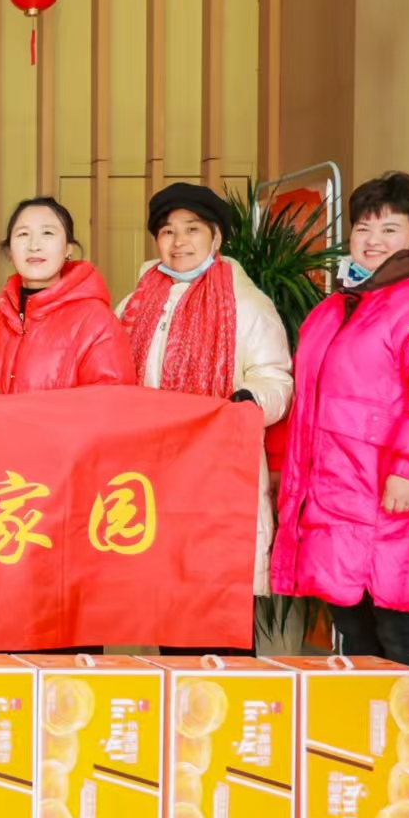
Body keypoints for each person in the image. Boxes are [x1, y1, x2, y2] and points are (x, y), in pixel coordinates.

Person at [272, 172, 409, 804]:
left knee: (405, 632)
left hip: (398, 497)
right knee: (357, 633)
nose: (372, 239)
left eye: (390, 228)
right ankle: (374, 763)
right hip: (340, 497)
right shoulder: (338, 306)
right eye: (364, 227)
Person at [117, 182, 293, 603]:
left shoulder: (246, 304)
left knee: (214, 601)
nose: (179, 241)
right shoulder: (133, 304)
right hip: (147, 471)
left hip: (216, 470)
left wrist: (251, 400)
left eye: (192, 229)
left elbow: (277, 380)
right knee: (158, 598)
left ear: (216, 237)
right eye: (168, 231)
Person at [0, 198, 136, 393]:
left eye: (47, 233)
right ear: (10, 251)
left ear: (68, 249)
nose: (34, 245)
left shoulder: (96, 321)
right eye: (23, 234)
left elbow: (114, 398)